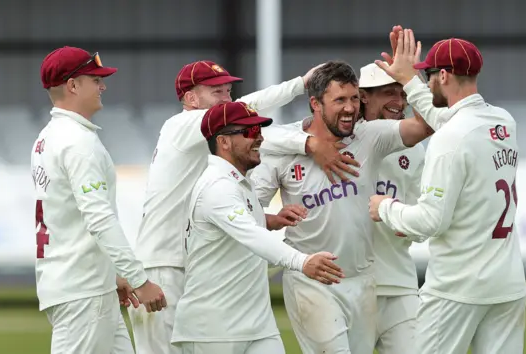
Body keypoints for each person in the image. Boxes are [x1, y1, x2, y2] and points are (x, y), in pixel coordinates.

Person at [129, 60, 359, 354]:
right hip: (163, 264)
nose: (227, 99)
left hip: (188, 260)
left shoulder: (217, 155)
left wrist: (267, 218)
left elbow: (246, 120)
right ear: (190, 98)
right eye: (216, 92)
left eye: (228, 90)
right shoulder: (180, 125)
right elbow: (248, 117)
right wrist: (308, 138)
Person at [251, 60, 433, 354]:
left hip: (362, 280)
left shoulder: (370, 137)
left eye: (352, 99)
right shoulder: (284, 148)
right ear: (316, 103)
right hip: (312, 279)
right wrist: (309, 145)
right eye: (340, 100)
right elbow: (249, 208)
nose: (349, 108)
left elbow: (426, 126)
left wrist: (411, 78)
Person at [369, 28, 526, 354]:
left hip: (457, 287)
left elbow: (431, 222)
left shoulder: (450, 138)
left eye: (428, 75)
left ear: (442, 75)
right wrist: (410, 82)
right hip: (508, 284)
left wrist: (385, 208)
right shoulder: (503, 122)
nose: (427, 82)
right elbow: (450, 121)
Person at [170, 101, 344, 354]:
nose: (260, 138)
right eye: (250, 132)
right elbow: (251, 235)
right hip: (212, 330)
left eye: (259, 131)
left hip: (257, 326)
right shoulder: (217, 186)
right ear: (224, 142)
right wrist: (302, 261)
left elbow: (242, 227)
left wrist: (271, 219)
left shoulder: (240, 183)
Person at [32, 46, 166, 354]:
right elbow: (99, 218)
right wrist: (138, 279)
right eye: (95, 79)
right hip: (83, 290)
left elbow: (71, 215)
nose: (103, 86)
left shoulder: (47, 137)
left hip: (82, 284)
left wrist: (114, 275)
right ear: (73, 85)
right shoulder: (78, 142)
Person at [359, 62, 427, 354]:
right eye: (389, 93)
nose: (399, 102)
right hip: (350, 286)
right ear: (363, 96)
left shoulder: (415, 148)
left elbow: (420, 219)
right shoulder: (334, 141)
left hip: (399, 282)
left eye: (403, 94)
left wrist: (404, 222)